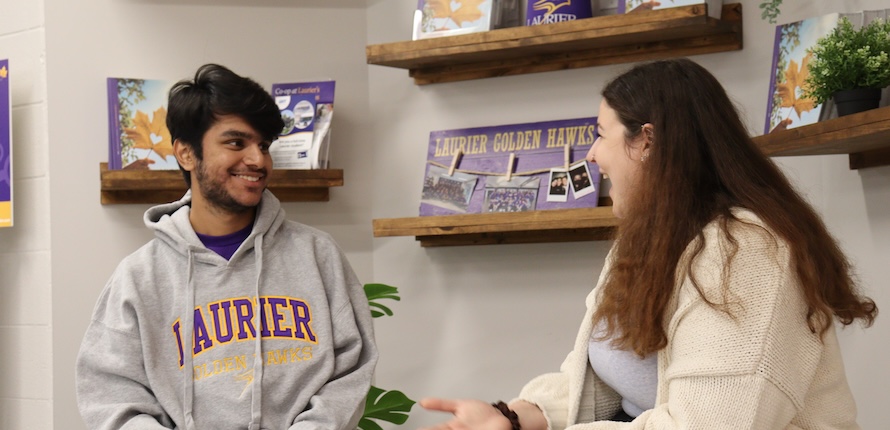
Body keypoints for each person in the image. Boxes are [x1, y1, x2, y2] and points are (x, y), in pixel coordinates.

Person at [419, 58, 878, 429]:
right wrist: (516, 417)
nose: (592, 155)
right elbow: (597, 380)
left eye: (600, 134)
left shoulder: (747, 253)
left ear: (647, 142)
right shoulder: (648, 239)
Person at [76, 64, 378, 430]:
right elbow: (111, 394)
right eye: (236, 143)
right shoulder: (139, 276)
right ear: (187, 154)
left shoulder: (318, 255)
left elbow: (352, 368)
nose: (257, 160)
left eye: (263, 145)